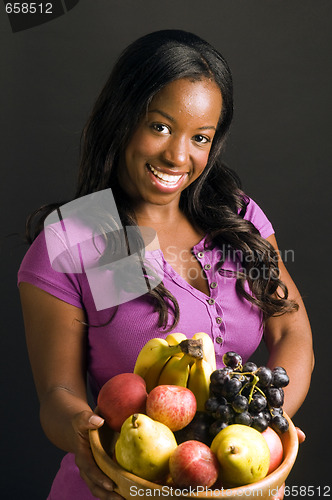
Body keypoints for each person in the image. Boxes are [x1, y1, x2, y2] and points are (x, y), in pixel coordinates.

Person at [18, 30, 314, 500]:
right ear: (123, 117)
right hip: (121, 486)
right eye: (159, 126)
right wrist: (81, 431)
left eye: (200, 137)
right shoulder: (86, 238)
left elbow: (290, 330)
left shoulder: (235, 216)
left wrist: (269, 430)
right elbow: (57, 392)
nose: (178, 156)